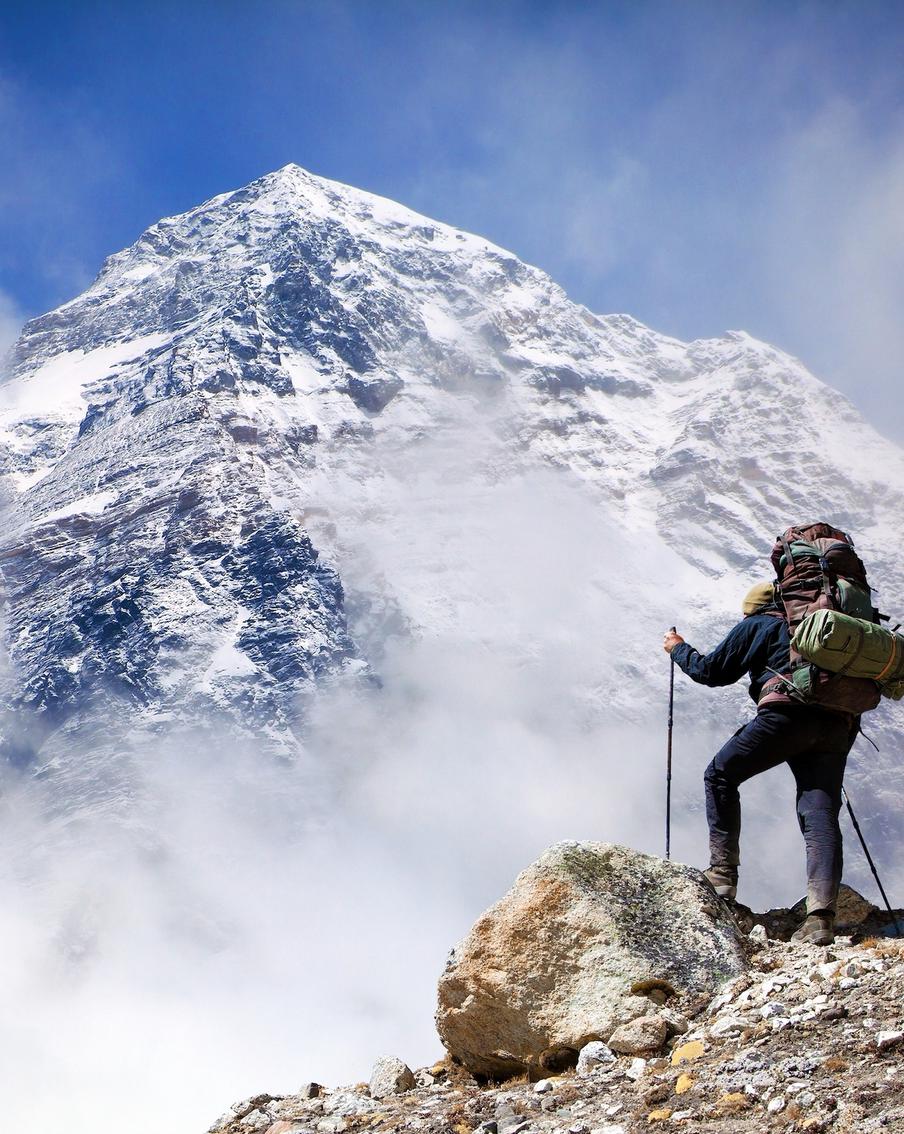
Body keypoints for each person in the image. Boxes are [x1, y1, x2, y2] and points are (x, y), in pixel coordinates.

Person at [662, 582, 858, 946]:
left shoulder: (759, 624)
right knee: (820, 813)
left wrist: (678, 649)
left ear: (753, 609)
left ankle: (722, 875)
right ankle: (820, 919)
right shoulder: (825, 629)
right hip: (838, 724)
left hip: (785, 717)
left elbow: (712, 672)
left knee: (720, 775)